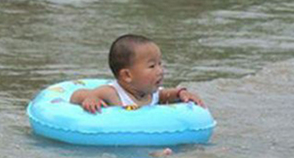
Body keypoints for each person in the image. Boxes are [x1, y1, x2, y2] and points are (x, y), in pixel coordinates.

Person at [70, 34, 205, 114]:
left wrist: (182, 93)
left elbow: (167, 94)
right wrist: (90, 98)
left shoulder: (152, 93)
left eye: (160, 63)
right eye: (152, 66)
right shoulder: (112, 93)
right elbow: (76, 95)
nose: (160, 70)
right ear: (127, 75)